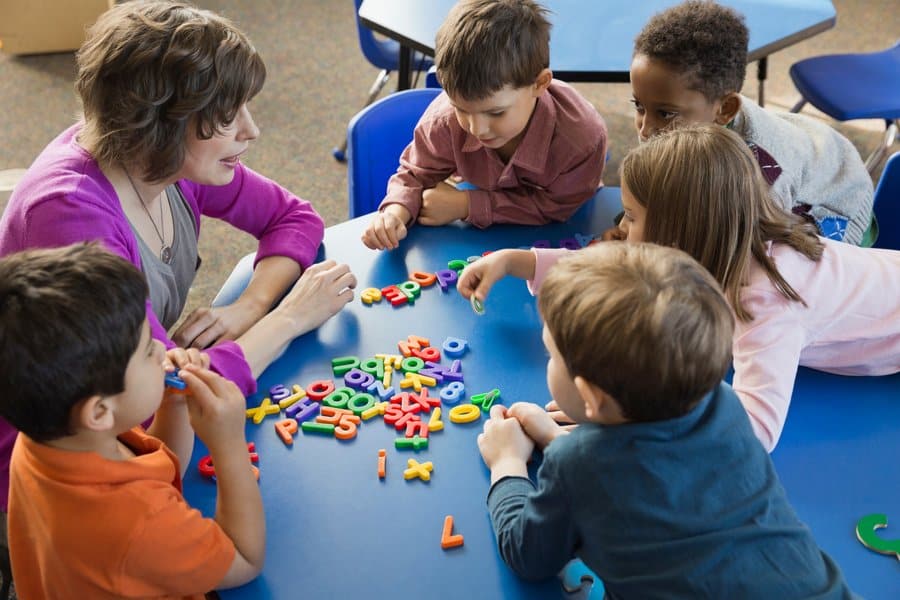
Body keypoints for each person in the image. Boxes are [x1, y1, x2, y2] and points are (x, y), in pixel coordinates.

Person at [0, 0, 356, 512]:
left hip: (136, 410)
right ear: (160, 124)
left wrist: (251, 306)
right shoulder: (69, 215)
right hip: (66, 469)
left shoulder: (163, 164)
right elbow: (162, 394)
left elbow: (295, 218)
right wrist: (290, 317)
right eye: (229, 116)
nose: (252, 131)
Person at [460, 124, 900, 452]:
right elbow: (622, 268)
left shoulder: (764, 300)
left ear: (676, 234)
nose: (621, 227)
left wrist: (626, 422)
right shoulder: (722, 235)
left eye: (631, 217)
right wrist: (519, 261)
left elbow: (753, 434)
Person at [477, 242, 855, 597]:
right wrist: (557, 439)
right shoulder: (723, 404)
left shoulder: (575, 468)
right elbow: (661, 478)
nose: (549, 363)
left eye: (551, 355)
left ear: (592, 398)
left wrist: (507, 463)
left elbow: (529, 555)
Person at [0, 243, 264, 598]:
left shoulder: (48, 435)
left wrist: (173, 404)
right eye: (145, 350)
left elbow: (158, 464)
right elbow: (244, 559)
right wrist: (229, 445)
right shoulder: (140, 523)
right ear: (99, 412)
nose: (161, 348)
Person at [623, 0, 875, 245]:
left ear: (725, 109)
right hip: (802, 152)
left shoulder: (762, 176)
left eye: (665, 114)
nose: (646, 129)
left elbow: (746, 252)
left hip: (834, 204)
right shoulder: (679, 119)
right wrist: (627, 223)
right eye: (639, 107)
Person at [361, 0, 608, 251]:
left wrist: (467, 205)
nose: (477, 129)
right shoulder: (443, 119)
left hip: (562, 238)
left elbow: (557, 206)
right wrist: (395, 212)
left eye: (496, 113)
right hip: (478, 239)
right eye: (461, 109)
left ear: (540, 84)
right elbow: (414, 174)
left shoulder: (581, 140)